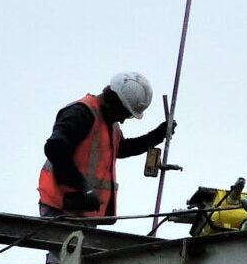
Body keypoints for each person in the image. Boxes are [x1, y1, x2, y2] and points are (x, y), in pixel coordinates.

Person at [38, 71, 173, 220]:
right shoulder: (81, 112)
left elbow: (121, 149)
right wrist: (83, 188)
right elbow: (55, 149)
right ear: (113, 101)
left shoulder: (109, 123)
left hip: (83, 211)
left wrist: (156, 135)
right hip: (61, 206)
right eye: (125, 114)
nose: (122, 120)